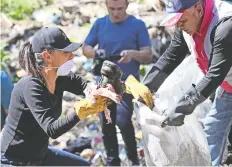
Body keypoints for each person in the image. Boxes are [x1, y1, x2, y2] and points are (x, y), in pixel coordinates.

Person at [0, 27, 117, 166]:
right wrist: (83, 110)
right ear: (47, 56)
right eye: (66, 52)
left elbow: (85, 86)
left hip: (40, 156)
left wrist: (105, 86)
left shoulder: (60, 78)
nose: (72, 56)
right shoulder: (30, 86)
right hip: (13, 161)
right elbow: (52, 129)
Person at [140, 0, 232, 165]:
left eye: (181, 21)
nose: (179, 26)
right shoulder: (186, 23)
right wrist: (145, 87)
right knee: (212, 129)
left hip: (223, 77)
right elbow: (172, 55)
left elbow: (215, 74)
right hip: (229, 85)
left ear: (197, 9)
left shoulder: (225, 24)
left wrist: (183, 106)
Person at [82, 0, 153, 165]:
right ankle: (112, 161)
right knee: (107, 123)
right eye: (111, 9)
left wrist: (132, 54)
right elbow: (85, 48)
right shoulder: (100, 24)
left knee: (122, 120)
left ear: (127, 6)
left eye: (120, 9)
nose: (115, 13)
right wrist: (94, 53)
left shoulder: (137, 25)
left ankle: (133, 159)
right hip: (104, 82)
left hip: (127, 82)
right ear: (106, 6)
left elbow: (148, 54)